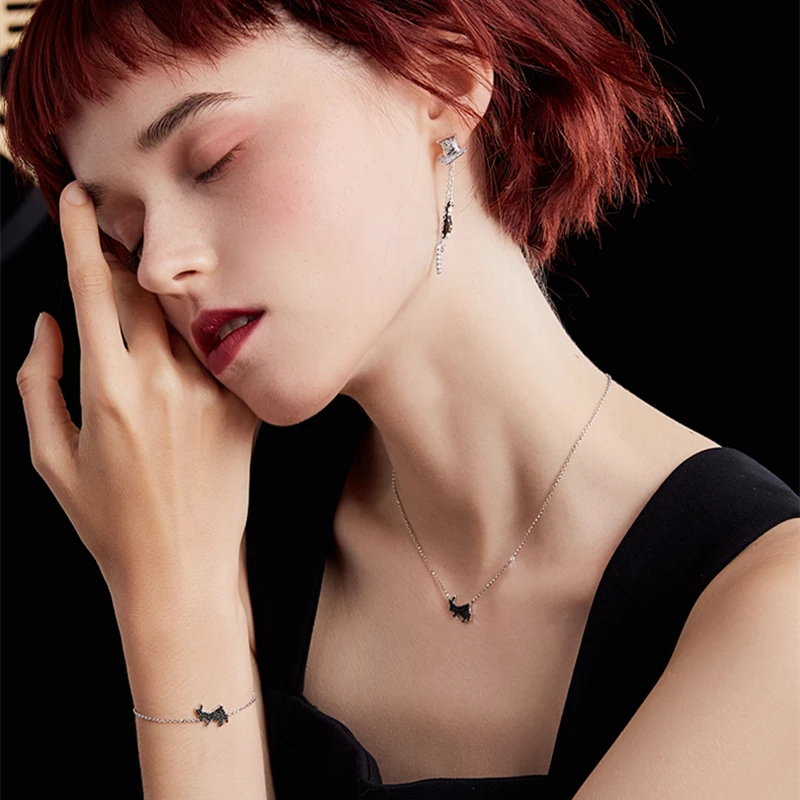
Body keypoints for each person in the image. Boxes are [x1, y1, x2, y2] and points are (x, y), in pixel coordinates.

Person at [6, 1, 799, 799]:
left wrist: (178, 612)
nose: (158, 268)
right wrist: (174, 592)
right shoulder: (179, 535)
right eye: (126, 234)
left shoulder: (774, 610)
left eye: (214, 161)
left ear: (443, 80)